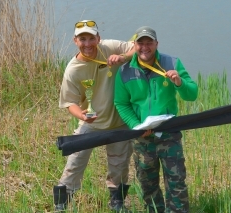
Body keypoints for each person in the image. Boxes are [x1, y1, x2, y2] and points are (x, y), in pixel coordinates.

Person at [114, 26, 198, 213]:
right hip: (142, 138)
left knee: (176, 183)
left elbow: (192, 94)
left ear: (156, 44)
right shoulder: (124, 71)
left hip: (169, 135)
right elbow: (121, 103)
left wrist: (179, 82)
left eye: (149, 43)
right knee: (148, 185)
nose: (145, 47)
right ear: (134, 45)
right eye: (140, 43)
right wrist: (136, 126)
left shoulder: (172, 63)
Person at [53, 20, 134, 212]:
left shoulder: (109, 47)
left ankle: (117, 202)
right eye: (82, 39)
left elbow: (138, 49)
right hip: (91, 124)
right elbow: (69, 102)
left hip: (119, 122)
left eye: (91, 38)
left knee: (120, 166)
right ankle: (61, 204)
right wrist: (81, 115)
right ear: (75, 41)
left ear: (98, 38)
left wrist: (122, 58)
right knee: (74, 162)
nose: (87, 44)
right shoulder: (73, 70)